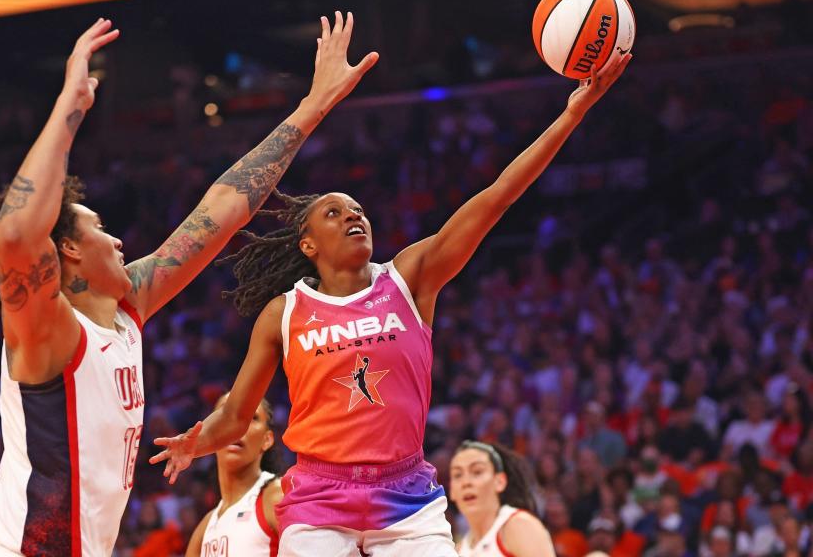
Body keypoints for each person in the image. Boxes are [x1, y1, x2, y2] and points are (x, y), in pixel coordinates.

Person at [152, 47, 632, 556]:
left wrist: (571, 114)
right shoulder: (284, 312)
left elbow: (497, 197)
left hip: (405, 495)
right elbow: (235, 415)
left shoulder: (409, 278)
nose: (353, 216)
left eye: (358, 209)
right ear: (307, 244)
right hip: (318, 497)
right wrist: (195, 442)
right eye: (334, 214)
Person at [0, 12, 378, 557]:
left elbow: (223, 210)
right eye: (100, 230)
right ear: (67, 250)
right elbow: (16, 234)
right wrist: (69, 108)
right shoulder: (44, 331)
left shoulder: (125, 307)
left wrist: (313, 105)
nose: (117, 243)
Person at [186, 394, 283, 557]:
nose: (238, 427)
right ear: (209, 435)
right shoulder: (205, 528)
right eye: (226, 414)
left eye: (252, 417)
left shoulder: (277, 497)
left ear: (267, 439)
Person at [449, 441, 554, 557]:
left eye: (477, 472)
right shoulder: (459, 551)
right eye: (458, 475)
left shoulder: (518, 525)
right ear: (452, 491)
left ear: (500, 481)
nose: (466, 482)